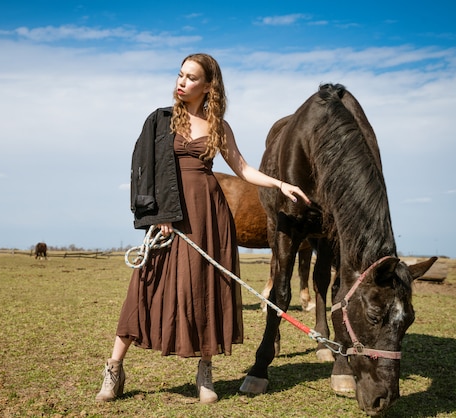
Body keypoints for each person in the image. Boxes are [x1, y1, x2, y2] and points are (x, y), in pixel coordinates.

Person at [96, 53, 310, 404]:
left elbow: (242, 168)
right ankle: (114, 368)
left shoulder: (219, 127)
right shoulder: (160, 121)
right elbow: (143, 170)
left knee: (206, 290)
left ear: (208, 85)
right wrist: (158, 214)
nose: (181, 82)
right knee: (144, 287)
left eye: (191, 77)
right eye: (180, 75)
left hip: (210, 218)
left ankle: (204, 371)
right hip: (169, 218)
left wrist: (279, 185)